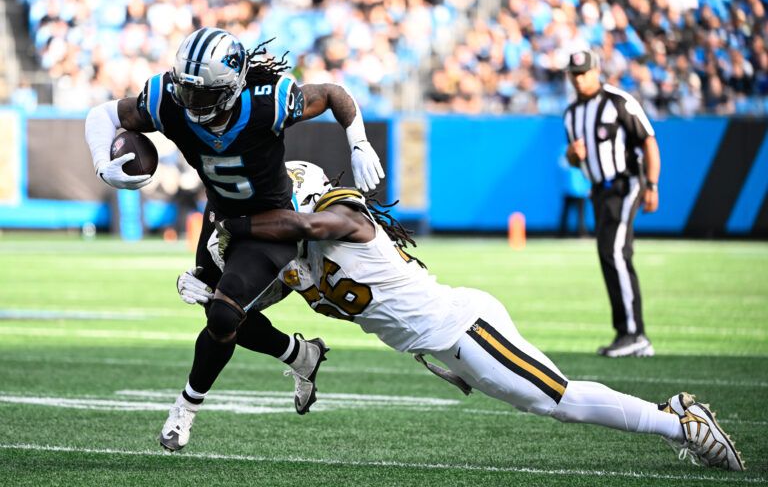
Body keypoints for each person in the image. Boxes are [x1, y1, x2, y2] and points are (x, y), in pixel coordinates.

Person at [180, 161, 742, 471]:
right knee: (551, 403)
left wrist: (239, 223)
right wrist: (213, 295)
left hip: (462, 327)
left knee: (560, 402)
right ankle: (677, 419)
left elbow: (305, 228)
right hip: (449, 340)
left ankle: (681, 423)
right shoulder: (296, 265)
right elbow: (242, 318)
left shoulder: (343, 215)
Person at [83, 27, 385, 451]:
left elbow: (334, 93)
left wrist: (359, 145)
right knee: (219, 313)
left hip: (273, 220)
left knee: (223, 314)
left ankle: (185, 409)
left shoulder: (268, 101)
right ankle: (300, 355)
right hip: (221, 215)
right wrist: (103, 162)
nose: (190, 102)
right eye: (186, 91)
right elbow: (102, 115)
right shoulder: (168, 97)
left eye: (201, 95)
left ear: (231, 86)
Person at [563, 50, 661, 358]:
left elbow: (648, 139)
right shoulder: (571, 114)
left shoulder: (618, 101)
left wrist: (653, 185)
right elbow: (574, 159)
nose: (580, 79)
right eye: (574, 74)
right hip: (599, 190)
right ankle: (627, 331)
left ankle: (634, 333)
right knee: (609, 254)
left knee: (615, 252)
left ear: (596, 71)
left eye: (584, 73)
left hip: (627, 182)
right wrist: (574, 157)